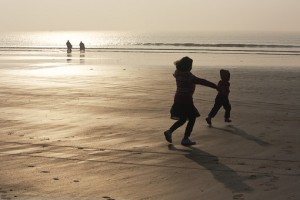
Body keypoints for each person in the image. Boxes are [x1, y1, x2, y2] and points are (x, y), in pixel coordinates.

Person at [164, 56, 217, 146]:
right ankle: (185, 138)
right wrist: (215, 86)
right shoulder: (188, 76)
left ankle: (170, 131)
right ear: (187, 67)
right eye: (190, 65)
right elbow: (202, 81)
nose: (191, 67)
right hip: (186, 101)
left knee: (183, 119)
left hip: (178, 100)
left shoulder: (178, 74)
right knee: (192, 118)